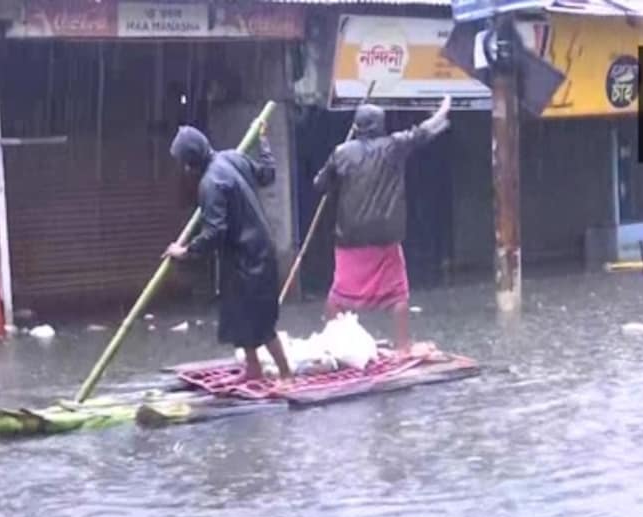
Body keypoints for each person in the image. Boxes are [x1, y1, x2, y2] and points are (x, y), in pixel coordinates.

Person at [313, 95, 453, 354]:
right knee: (398, 293)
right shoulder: (393, 146)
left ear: (357, 127)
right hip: (385, 235)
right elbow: (422, 132)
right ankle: (402, 347)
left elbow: (320, 185)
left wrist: (336, 167)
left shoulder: (342, 153)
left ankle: (330, 344)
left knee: (339, 293)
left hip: (350, 236)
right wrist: (443, 110)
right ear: (380, 125)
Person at [164, 123, 293, 381]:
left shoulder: (210, 184)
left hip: (251, 256)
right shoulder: (232, 157)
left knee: (260, 322)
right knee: (239, 314)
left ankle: (286, 374)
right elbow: (267, 173)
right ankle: (253, 369)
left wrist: (185, 251)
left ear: (190, 163)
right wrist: (263, 142)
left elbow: (215, 232)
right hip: (245, 254)